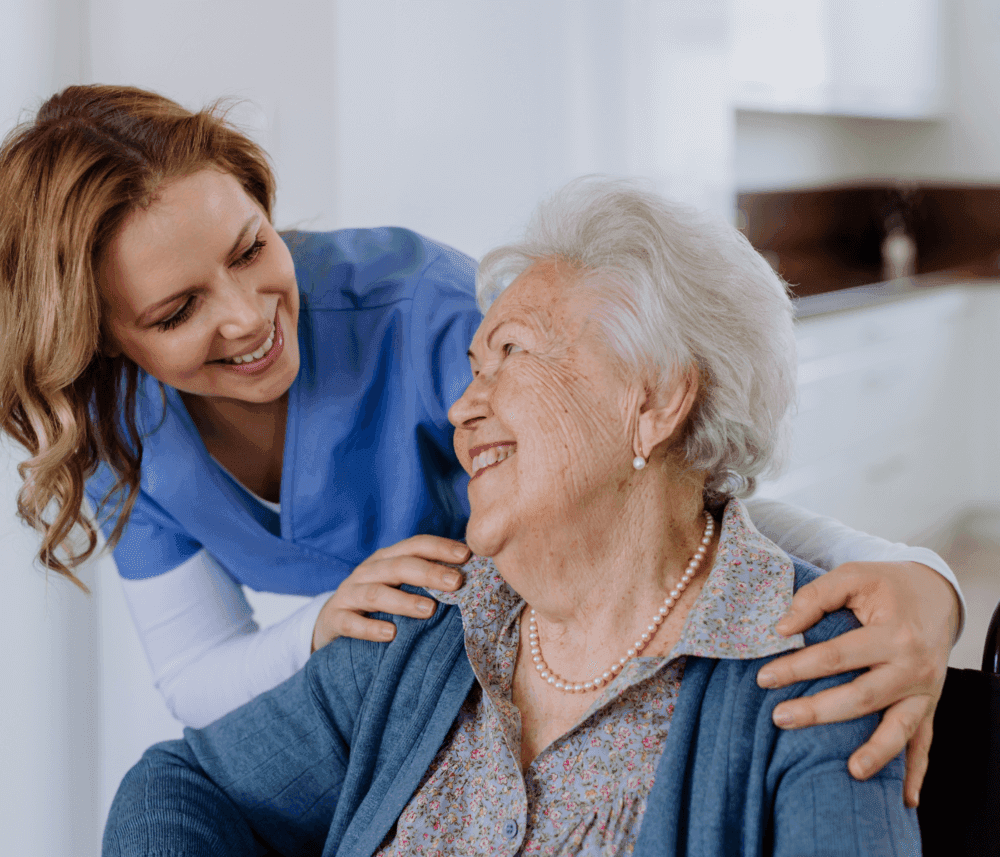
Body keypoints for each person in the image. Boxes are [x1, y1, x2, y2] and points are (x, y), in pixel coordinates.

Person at [0, 85, 958, 803]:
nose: (251, 318)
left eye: (253, 247)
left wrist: (905, 572)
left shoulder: (423, 314)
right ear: (101, 342)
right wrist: (328, 622)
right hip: (412, 685)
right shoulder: (120, 426)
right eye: (176, 311)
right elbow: (199, 679)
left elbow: (661, 487)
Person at [103, 180, 920, 855]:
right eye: (470, 363)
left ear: (656, 398)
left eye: (511, 354)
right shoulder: (422, 632)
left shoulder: (818, 676)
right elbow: (178, 784)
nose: (460, 407)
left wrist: (927, 581)